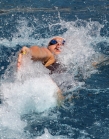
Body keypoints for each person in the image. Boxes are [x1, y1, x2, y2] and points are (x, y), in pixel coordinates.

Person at [17, 36, 65, 103]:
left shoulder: (69, 61)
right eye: (53, 42)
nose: (59, 44)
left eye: (63, 42)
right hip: (53, 92)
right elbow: (40, 52)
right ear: (48, 47)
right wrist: (29, 52)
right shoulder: (51, 57)